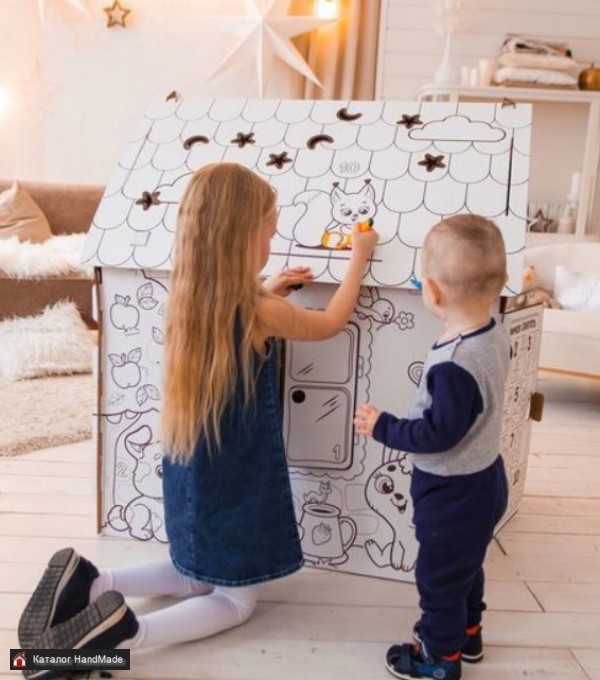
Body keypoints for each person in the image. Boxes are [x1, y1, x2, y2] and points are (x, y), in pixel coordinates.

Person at [18, 163, 378, 663]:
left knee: (194, 570)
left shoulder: (191, 300)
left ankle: (91, 582)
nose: (271, 242)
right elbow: (332, 322)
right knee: (234, 600)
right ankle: (121, 637)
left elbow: (234, 319)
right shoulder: (260, 312)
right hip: (235, 478)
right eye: (268, 233)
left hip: (189, 468)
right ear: (243, 239)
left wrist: (267, 287)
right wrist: (360, 257)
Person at [354, 215, 510, 680]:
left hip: (452, 490)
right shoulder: (493, 332)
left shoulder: (454, 363)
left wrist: (383, 426)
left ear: (435, 293)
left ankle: (440, 658)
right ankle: (468, 633)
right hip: (485, 476)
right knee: (466, 563)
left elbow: (438, 434)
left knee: (439, 577)